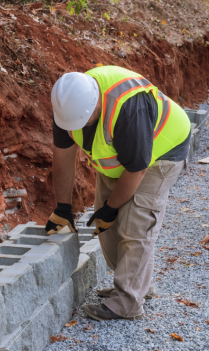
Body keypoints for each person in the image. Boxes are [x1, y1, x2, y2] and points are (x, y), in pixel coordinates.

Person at [45, 66, 191, 321]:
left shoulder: (128, 108)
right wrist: (62, 207)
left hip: (160, 153)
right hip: (119, 159)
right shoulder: (67, 106)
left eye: (84, 120)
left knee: (136, 225)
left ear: (96, 103)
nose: (78, 126)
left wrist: (112, 208)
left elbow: (137, 168)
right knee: (105, 225)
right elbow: (63, 158)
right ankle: (137, 284)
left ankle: (128, 302)